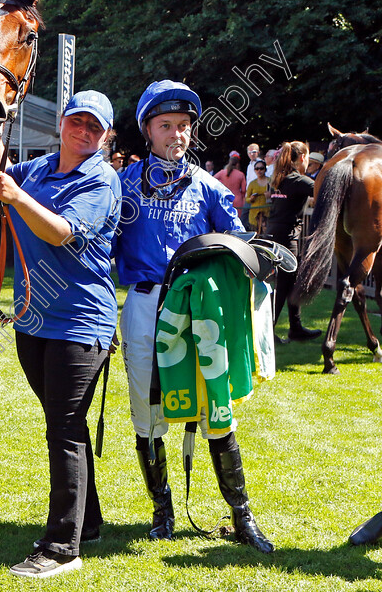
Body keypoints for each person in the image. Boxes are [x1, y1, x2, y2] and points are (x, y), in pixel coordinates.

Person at [114, 80, 273, 553]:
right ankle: (161, 511)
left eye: (184, 126)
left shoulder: (209, 186)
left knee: (216, 411)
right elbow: (99, 247)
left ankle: (241, 517)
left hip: (199, 311)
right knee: (147, 412)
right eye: (166, 126)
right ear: (148, 130)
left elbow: (238, 244)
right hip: (144, 305)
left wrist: (263, 255)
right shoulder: (122, 186)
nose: (177, 134)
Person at [0, 91, 121, 578]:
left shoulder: (101, 180)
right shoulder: (40, 169)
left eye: (94, 127)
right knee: (70, 425)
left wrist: (15, 197)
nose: (83, 131)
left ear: (105, 135)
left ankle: (62, 548)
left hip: (81, 323)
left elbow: (61, 232)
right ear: (62, 124)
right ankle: (88, 524)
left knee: (62, 428)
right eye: (76, 122)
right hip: (34, 322)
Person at [266, 141, 321, 342]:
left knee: (290, 284)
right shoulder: (299, 181)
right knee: (285, 285)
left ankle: (295, 328)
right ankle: (268, 330)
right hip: (287, 239)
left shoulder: (279, 178)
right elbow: (324, 192)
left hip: (273, 234)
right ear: (303, 158)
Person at [213, 153, 247, 220]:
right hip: (237, 200)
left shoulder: (222, 172)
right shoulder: (240, 174)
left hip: (225, 198)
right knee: (238, 220)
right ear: (237, 164)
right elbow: (243, 190)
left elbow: (212, 179)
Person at [245, 159, 271, 234]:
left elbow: (277, 195)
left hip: (267, 212)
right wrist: (251, 199)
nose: (259, 171)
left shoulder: (270, 181)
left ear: (265, 169)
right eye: (257, 169)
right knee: (255, 235)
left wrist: (270, 196)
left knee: (266, 235)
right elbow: (247, 199)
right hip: (254, 214)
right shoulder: (252, 183)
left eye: (261, 168)